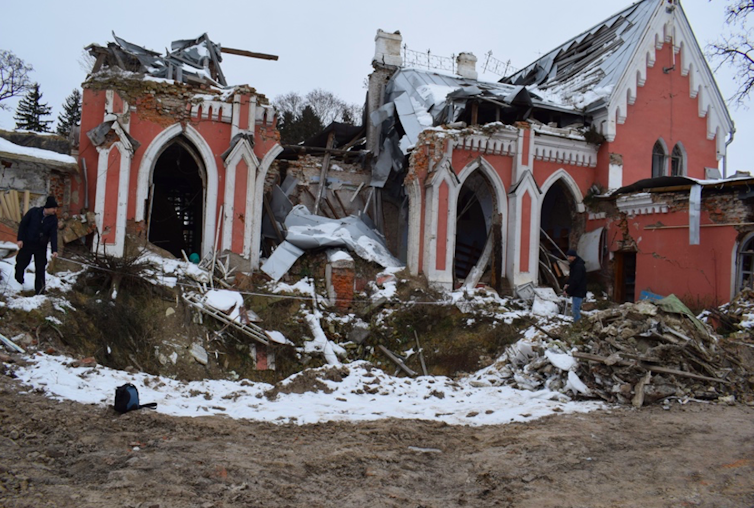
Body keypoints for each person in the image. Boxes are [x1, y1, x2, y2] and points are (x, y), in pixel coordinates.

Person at [15, 196, 59, 295]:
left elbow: (53, 235)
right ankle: (18, 283)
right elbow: (23, 225)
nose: (55, 211)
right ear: (48, 207)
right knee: (21, 263)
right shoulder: (33, 212)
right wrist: (20, 239)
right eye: (54, 208)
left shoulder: (53, 219)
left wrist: (54, 250)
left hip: (40, 247)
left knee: (40, 268)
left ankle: (40, 292)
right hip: (27, 243)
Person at [563, 249, 587, 322]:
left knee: (575, 310)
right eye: (567, 257)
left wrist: (568, 290)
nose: (568, 258)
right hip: (577, 291)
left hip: (579, 291)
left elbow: (575, 281)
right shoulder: (575, 266)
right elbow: (572, 278)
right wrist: (567, 284)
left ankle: (578, 325)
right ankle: (577, 324)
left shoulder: (578, 267)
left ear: (574, 257)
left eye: (569, 257)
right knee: (575, 309)